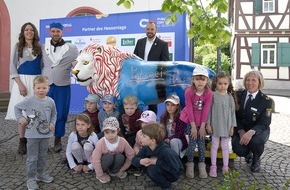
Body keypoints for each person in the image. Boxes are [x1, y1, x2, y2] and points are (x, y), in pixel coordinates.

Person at [6, 22, 42, 155]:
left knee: (36, 112)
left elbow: (44, 66)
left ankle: (34, 141)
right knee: (22, 113)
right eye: (26, 30)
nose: (29, 32)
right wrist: (20, 84)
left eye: (31, 30)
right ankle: (22, 141)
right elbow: (12, 67)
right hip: (22, 81)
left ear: (34, 33)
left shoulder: (40, 47)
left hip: (36, 81)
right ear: (23, 32)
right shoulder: (18, 46)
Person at [42, 22, 79, 153]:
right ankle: (44, 140)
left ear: (62, 32)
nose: (55, 34)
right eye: (53, 31)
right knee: (44, 113)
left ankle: (57, 141)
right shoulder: (43, 47)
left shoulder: (72, 48)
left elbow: (78, 64)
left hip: (63, 85)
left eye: (58, 31)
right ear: (50, 32)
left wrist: (77, 66)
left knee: (61, 113)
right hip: (46, 85)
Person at [14, 76, 56, 190]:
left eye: (44, 87)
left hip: (45, 135)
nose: (41, 90)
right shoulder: (29, 101)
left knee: (43, 156)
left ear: (48, 88)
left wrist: (52, 123)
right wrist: (20, 118)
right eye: (38, 88)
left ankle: (40, 174)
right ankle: (30, 178)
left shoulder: (51, 101)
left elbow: (54, 114)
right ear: (34, 88)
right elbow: (17, 108)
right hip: (32, 135)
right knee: (32, 158)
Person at [232, 70, 272, 173]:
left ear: (259, 82)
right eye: (247, 80)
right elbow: (234, 116)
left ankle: (256, 159)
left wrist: (251, 132)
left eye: (253, 80)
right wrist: (240, 131)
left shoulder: (266, 101)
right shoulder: (238, 95)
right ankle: (247, 153)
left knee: (256, 142)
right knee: (238, 149)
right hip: (242, 129)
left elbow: (264, 122)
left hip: (258, 131)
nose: (250, 83)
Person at [180, 66, 213, 179]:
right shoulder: (189, 92)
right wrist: (193, 127)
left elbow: (206, 110)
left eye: (202, 79)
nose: (200, 82)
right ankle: (190, 165)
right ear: (193, 79)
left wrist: (203, 126)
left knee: (202, 143)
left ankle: (202, 165)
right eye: (198, 79)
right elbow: (189, 109)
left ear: (206, 81)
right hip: (191, 121)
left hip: (202, 122)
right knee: (192, 143)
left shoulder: (208, 93)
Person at [132, 122, 184, 190]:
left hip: (172, 174)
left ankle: (167, 186)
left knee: (152, 169)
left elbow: (175, 169)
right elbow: (134, 160)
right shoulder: (146, 147)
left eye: (144, 136)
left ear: (153, 141)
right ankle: (158, 181)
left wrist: (157, 162)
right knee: (147, 166)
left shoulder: (166, 151)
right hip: (161, 169)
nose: (140, 137)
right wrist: (140, 161)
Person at [133, 21, 169, 115]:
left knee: (152, 104)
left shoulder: (162, 44)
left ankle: (152, 125)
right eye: (148, 29)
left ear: (156, 30)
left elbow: (165, 63)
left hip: (153, 79)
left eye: (152, 29)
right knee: (138, 102)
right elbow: (134, 59)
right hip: (139, 79)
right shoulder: (140, 42)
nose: (150, 31)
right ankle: (137, 124)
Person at [206, 72, 237, 177]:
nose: (222, 86)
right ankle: (213, 166)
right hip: (215, 125)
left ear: (228, 84)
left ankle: (225, 166)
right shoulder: (213, 95)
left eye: (225, 83)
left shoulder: (229, 97)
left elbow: (233, 113)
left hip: (226, 126)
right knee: (214, 145)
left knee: (225, 146)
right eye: (220, 83)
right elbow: (208, 111)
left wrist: (232, 126)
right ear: (216, 84)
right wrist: (208, 124)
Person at [91, 117, 135, 184]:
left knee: (120, 156)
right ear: (103, 132)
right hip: (103, 164)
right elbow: (95, 160)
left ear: (118, 130)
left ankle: (114, 171)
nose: (110, 135)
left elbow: (131, 155)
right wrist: (100, 174)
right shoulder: (101, 143)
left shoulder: (122, 141)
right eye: (107, 132)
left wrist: (122, 169)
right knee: (108, 157)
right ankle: (104, 172)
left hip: (115, 164)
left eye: (113, 132)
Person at [133, 110, 157, 176]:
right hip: (142, 153)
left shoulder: (157, 134)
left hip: (153, 153)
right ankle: (140, 167)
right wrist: (136, 150)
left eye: (147, 123)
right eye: (142, 122)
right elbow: (137, 144)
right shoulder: (139, 133)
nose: (144, 125)